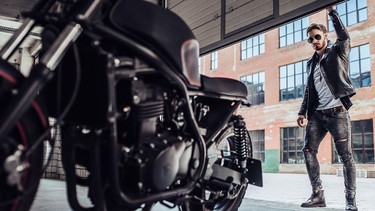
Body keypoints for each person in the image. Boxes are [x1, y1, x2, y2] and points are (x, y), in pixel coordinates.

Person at [297, 6, 357, 211]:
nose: (314, 41)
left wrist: (333, 13)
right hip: (317, 114)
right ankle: (318, 195)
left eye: (316, 37)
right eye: (310, 39)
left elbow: (345, 36)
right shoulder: (310, 63)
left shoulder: (338, 52)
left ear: (324, 36)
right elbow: (308, 90)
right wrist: (302, 111)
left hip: (338, 113)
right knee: (307, 150)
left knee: (346, 157)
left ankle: (350, 201)